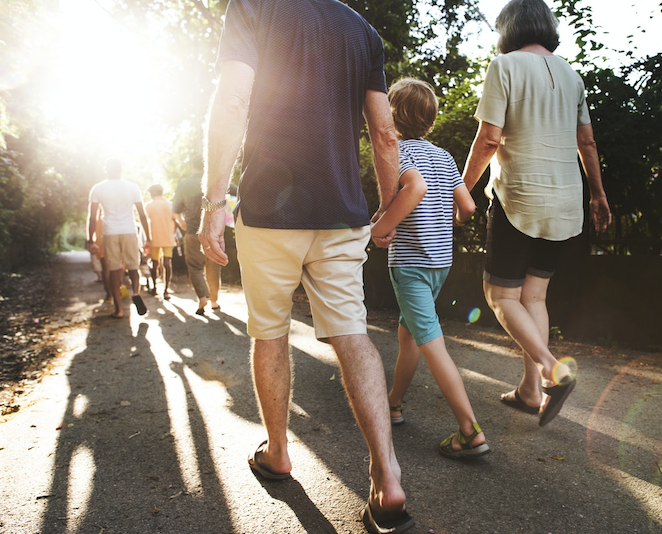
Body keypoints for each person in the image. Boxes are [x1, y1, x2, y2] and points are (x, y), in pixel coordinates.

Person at [197, 1, 413, 532]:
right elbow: (385, 132)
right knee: (351, 333)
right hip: (342, 212)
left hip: (269, 210)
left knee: (268, 333)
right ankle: (388, 478)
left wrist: (212, 205)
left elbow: (233, 98)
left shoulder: (252, 7)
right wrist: (385, 210)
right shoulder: (361, 30)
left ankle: (278, 454)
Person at [461, 0, 611, 427]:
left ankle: (551, 369)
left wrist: (460, 188)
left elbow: (489, 138)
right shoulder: (571, 74)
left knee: (500, 296)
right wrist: (598, 196)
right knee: (534, 297)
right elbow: (588, 143)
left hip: (519, 198)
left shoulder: (504, 65)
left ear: (508, 28)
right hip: (565, 201)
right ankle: (529, 391)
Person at [370, 78, 487, 460]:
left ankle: (469, 431)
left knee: (431, 342)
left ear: (394, 114)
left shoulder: (398, 152)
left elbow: (414, 190)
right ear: (431, 119)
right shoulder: (444, 157)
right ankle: (394, 403)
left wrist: (380, 229)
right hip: (440, 264)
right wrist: (443, 223)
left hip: (411, 266)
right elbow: (468, 208)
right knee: (410, 335)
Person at [85, 158, 150, 318]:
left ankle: (119, 310)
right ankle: (135, 292)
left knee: (114, 270)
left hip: (109, 232)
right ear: (121, 169)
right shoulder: (132, 187)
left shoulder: (98, 188)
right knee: (133, 267)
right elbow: (142, 215)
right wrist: (149, 238)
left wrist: (90, 239)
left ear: (106, 169)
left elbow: (92, 217)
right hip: (129, 230)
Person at [172, 155, 222, 315]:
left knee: (195, 267)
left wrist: (182, 224)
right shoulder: (215, 181)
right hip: (214, 231)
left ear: (192, 166)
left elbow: (176, 212)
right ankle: (214, 301)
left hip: (193, 231)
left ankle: (202, 298)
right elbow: (234, 193)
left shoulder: (184, 185)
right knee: (213, 265)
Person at [144, 184, 176, 299]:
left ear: (153, 193)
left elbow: (145, 222)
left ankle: (155, 287)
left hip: (154, 238)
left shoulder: (149, 205)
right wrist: (172, 233)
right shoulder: (170, 205)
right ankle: (166, 290)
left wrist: (147, 239)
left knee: (155, 263)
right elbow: (175, 221)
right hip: (168, 237)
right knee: (167, 263)